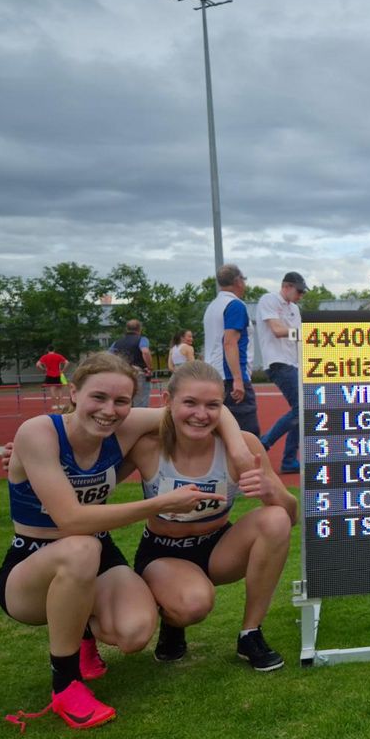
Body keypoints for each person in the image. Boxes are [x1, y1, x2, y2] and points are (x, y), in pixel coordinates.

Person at [0, 353, 237, 731]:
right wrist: (160, 504)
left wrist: (237, 450)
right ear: (74, 392)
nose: (109, 410)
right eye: (99, 397)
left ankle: (85, 633)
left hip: (97, 554)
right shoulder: (39, 432)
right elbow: (72, 521)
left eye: (122, 401)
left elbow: (206, 412)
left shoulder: (122, 428)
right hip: (35, 562)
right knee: (81, 546)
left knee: (134, 633)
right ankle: (65, 684)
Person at [131, 361, 297, 671]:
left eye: (212, 405)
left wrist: (270, 491)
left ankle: (250, 634)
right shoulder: (146, 446)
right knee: (193, 604)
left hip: (218, 549)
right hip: (163, 553)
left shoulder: (242, 447)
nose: (201, 414)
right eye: (190, 403)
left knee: (275, 518)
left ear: (223, 409)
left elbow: (292, 515)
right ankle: (172, 619)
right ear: (168, 402)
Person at [256, 271, 308, 473]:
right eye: (299, 291)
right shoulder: (269, 300)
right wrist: (304, 332)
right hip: (277, 363)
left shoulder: (294, 308)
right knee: (300, 408)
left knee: (301, 411)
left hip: (292, 363)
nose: (301, 296)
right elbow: (277, 331)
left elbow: (298, 337)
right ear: (286, 287)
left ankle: (288, 461)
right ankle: (264, 444)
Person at [204, 264, 261, 435]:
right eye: (243, 279)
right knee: (247, 434)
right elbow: (229, 342)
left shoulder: (213, 306)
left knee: (221, 432)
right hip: (230, 378)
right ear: (238, 281)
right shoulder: (235, 305)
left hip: (213, 376)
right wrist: (238, 379)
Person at [110, 319, 154, 407]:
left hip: (122, 373)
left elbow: (109, 356)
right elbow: (145, 351)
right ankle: (140, 419)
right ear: (140, 329)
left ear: (127, 329)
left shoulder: (116, 343)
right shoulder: (142, 339)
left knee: (124, 400)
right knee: (141, 401)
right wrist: (149, 367)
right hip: (137, 372)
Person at [37, 345, 69, 411]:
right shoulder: (58, 356)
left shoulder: (45, 357)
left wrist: (43, 370)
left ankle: (57, 405)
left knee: (52, 390)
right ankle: (60, 404)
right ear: (54, 349)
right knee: (60, 390)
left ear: (47, 350)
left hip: (49, 375)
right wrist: (63, 370)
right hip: (58, 374)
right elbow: (67, 362)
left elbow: (37, 364)